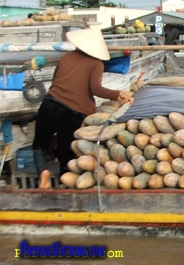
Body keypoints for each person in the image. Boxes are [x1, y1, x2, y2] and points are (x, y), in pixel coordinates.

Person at [33, 29, 134, 189]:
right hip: (71, 111)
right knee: (68, 151)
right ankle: (65, 185)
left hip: (49, 103)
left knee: (40, 145)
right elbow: (96, 89)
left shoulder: (66, 57)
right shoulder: (96, 63)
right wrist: (118, 95)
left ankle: (42, 174)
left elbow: (55, 82)